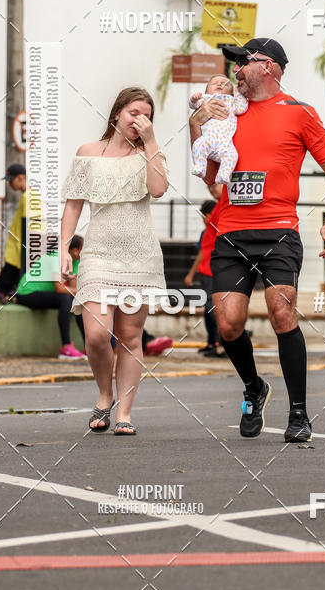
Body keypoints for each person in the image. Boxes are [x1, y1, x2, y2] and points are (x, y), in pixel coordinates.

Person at [189, 38, 325, 443]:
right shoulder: (228, 114)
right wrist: (198, 122)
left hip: (279, 231)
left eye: (243, 62)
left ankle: (298, 414)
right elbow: (208, 178)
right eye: (234, 63)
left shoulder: (300, 113)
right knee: (227, 324)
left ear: (270, 67)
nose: (235, 70)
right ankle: (254, 388)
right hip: (231, 232)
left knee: (282, 313)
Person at [60, 87, 169, 436]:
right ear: (118, 112)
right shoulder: (87, 153)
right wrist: (63, 246)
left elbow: (158, 189)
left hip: (140, 256)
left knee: (129, 336)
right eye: (134, 112)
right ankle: (104, 393)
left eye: (147, 116)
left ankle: (124, 413)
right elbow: (74, 204)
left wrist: (151, 143)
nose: (140, 120)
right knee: (96, 335)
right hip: (98, 255)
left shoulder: (149, 154)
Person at [16, 244, 87, 360]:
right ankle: (66, 347)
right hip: (26, 293)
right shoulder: (54, 258)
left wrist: (81, 292)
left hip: (44, 294)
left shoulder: (74, 261)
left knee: (78, 301)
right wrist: (81, 291)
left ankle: (88, 349)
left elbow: (75, 291)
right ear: (75, 250)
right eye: (83, 249)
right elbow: (60, 288)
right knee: (64, 299)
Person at [189, 74, 248, 183]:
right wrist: (194, 99)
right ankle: (200, 167)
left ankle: (224, 174)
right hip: (208, 138)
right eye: (214, 83)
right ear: (206, 92)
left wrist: (239, 94)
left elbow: (241, 109)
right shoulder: (206, 99)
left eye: (225, 84)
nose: (220, 84)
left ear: (231, 93)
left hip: (225, 143)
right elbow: (193, 105)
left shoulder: (232, 102)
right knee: (198, 145)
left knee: (232, 155)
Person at [184, 199, 225, 357]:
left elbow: (202, 254)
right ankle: (212, 342)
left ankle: (223, 341)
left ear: (208, 215)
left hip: (213, 273)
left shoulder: (214, 230)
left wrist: (190, 274)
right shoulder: (209, 231)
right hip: (208, 273)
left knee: (212, 307)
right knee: (208, 310)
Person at [0, 163, 27, 297]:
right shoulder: (26, 196)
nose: (9, 184)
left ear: (20, 178)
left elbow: (29, 227)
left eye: (10, 180)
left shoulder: (28, 197)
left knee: (0, 290)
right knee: (6, 290)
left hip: (18, 255)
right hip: (16, 254)